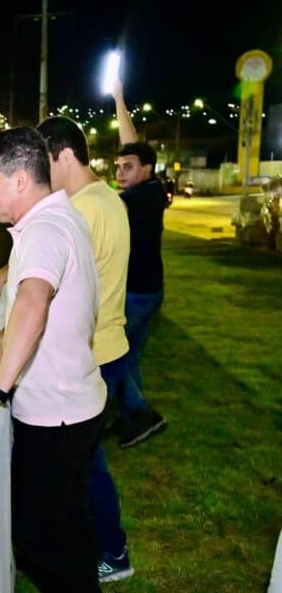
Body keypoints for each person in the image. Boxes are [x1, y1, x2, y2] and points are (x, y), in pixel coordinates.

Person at [0, 126, 146, 593]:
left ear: (19, 178)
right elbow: (52, 314)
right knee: (68, 524)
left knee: (36, 535)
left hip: (56, 412)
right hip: (76, 400)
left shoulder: (42, 233)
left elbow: (35, 305)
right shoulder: (58, 218)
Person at [0, 115, 136, 583]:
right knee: (72, 492)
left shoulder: (73, 213)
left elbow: (35, 299)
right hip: (89, 354)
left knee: (76, 486)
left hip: (87, 358)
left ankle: (111, 560)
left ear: (58, 155)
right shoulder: (84, 205)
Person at [111, 77, 168, 447]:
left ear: (145, 169)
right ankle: (133, 418)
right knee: (129, 358)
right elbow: (132, 145)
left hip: (136, 293)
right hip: (148, 290)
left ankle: (144, 413)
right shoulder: (151, 188)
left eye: (127, 167)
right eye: (117, 165)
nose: (120, 171)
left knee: (112, 357)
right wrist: (118, 98)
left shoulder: (138, 200)